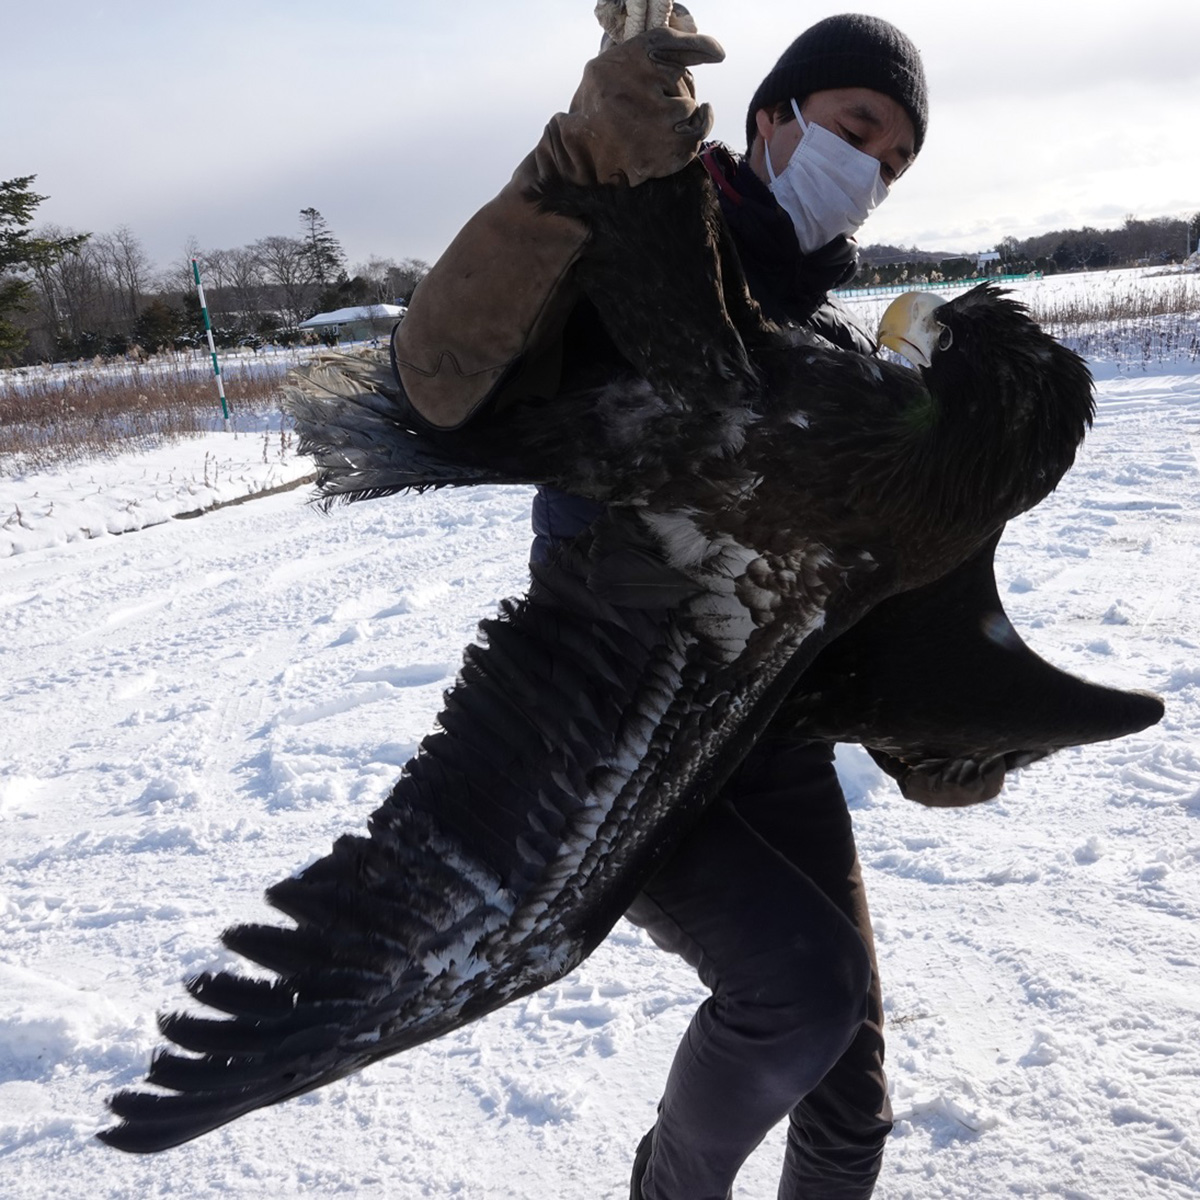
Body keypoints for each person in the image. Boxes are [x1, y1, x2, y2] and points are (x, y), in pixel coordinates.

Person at [391, 13, 948, 1198]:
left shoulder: (838, 351)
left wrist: (934, 716)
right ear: (774, 117)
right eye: (859, 129)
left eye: (895, 163)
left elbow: (850, 581)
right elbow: (439, 374)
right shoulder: (623, 241)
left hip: (769, 739)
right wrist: (580, 160)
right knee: (796, 990)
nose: (872, 173)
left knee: (852, 1105)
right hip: (611, 725)